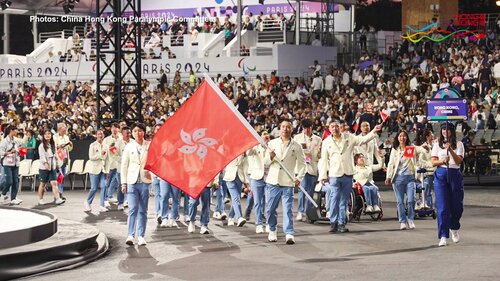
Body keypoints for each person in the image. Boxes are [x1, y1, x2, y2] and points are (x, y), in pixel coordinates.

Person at [318, 120, 381, 233]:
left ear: (340, 127)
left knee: (344, 200)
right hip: (334, 174)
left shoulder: (349, 137)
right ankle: (333, 222)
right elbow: (323, 160)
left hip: (347, 174)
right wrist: (322, 175)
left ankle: (342, 223)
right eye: (332, 126)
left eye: (337, 126)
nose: (335, 128)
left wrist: (374, 131)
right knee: (334, 199)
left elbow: (362, 140)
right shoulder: (326, 142)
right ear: (329, 129)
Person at [264, 120, 306, 244]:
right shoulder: (272, 143)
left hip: (288, 181)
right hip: (273, 181)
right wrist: (270, 156)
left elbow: (303, 164)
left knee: (288, 209)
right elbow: (266, 163)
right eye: (283, 127)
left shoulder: (296, 146)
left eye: (288, 127)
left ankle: (289, 233)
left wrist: (299, 177)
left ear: (291, 129)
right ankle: (272, 229)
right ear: (280, 128)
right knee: (271, 209)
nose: (285, 129)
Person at [431, 122, 464, 247]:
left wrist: (450, 149)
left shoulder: (459, 144)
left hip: (455, 174)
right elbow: (433, 162)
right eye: (443, 129)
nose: (445, 131)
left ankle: (454, 227)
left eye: (448, 129)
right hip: (441, 175)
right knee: (442, 207)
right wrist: (442, 161)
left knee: (457, 206)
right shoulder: (437, 145)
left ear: (452, 131)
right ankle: (443, 235)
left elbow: (459, 161)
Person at [122, 123, 152, 246]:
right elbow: (124, 165)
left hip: (145, 181)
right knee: (132, 209)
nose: (137, 133)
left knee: (143, 210)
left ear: (143, 132)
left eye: (139, 131)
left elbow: (155, 161)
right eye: (134, 131)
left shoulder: (149, 145)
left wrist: (152, 174)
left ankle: (141, 236)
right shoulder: (129, 146)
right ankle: (130, 235)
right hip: (132, 182)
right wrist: (123, 183)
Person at [385, 130, 420, 230]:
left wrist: (425, 148)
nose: (402, 138)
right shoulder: (395, 150)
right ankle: (402, 221)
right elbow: (391, 164)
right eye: (400, 136)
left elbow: (419, 150)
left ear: (407, 138)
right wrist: (388, 176)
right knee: (400, 202)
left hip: (410, 178)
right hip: (398, 179)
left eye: (404, 136)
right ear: (397, 138)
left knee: (411, 200)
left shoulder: (410, 148)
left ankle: (410, 219)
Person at [293, 119, 322, 221]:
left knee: (310, 191)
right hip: (302, 167)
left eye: (308, 128)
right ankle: (300, 211)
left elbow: (319, 155)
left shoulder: (318, 139)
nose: (307, 130)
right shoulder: (297, 138)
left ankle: (308, 211)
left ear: (312, 127)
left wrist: (318, 153)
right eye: (305, 128)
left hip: (313, 166)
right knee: (302, 190)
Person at [247, 130, 271, 233]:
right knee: (257, 202)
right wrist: (257, 142)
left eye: (267, 134)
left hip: (269, 178)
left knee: (269, 203)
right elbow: (248, 153)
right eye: (264, 134)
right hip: (256, 178)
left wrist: (268, 148)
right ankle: (259, 224)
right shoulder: (255, 147)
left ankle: (269, 224)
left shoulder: (272, 146)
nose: (266, 136)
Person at [37, 130, 65, 205]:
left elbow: (55, 155)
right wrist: (45, 163)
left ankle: (58, 199)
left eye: (49, 134)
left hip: (53, 167)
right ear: (43, 136)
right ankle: (40, 199)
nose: (47, 135)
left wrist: (58, 165)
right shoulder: (41, 145)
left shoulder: (53, 144)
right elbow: (42, 156)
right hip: (44, 168)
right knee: (43, 184)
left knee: (54, 183)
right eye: (45, 134)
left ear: (51, 135)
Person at [84, 130, 108, 213]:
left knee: (104, 186)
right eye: (98, 134)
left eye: (101, 134)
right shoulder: (92, 145)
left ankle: (102, 205)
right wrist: (100, 154)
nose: (100, 135)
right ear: (96, 135)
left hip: (103, 169)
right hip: (94, 169)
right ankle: (87, 202)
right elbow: (91, 157)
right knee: (94, 188)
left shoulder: (105, 145)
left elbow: (106, 158)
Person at [223, 153, 249, 227]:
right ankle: (239, 217)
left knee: (236, 198)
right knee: (235, 198)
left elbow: (245, 167)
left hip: (239, 177)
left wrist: (246, 181)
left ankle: (231, 217)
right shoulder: (228, 150)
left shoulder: (244, 152)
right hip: (229, 177)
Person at [103, 122, 123, 207]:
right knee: (107, 183)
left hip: (119, 164)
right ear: (111, 129)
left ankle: (118, 200)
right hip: (110, 164)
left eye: (116, 127)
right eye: (113, 128)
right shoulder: (107, 139)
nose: (114, 129)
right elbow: (103, 150)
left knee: (119, 183)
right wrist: (109, 147)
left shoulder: (122, 139)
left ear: (119, 129)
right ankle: (104, 199)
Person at [0, 125, 22, 205]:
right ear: (11, 131)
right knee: (9, 181)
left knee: (16, 181)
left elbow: (18, 148)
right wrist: (9, 152)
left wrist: (19, 152)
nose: (17, 132)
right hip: (7, 163)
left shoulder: (16, 141)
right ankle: (3, 194)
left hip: (16, 162)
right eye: (15, 130)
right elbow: (1, 152)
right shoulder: (4, 141)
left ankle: (13, 198)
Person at [415, 128, 435, 209]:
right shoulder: (423, 147)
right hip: (428, 172)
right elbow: (420, 161)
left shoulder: (435, 145)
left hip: (436, 171)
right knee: (428, 191)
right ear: (427, 137)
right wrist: (430, 164)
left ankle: (432, 206)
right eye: (431, 134)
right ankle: (426, 204)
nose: (433, 135)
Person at [54, 122, 73, 200]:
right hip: (58, 159)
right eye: (64, 127)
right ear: (59, 129)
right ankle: (57, 194)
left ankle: (60, 193)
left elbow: (69, 149)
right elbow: (53, 147)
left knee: (63, 176)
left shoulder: (66, 137)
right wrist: (59, 146)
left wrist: (70, 146)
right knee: (58, 176)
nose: (66, 129)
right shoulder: (54, 137)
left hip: (65, 158)